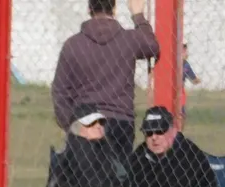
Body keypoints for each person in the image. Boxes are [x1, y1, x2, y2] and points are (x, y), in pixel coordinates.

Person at [51, 0, 159, 158]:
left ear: (89, 9)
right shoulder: (128, 40)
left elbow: (60, 90)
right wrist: (138, 15)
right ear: (114, 9)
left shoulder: (73, 45)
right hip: (120, 120)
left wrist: (70, 125)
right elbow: (152, 46)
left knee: (85, 172)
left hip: (85, 120)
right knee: (119, 171)